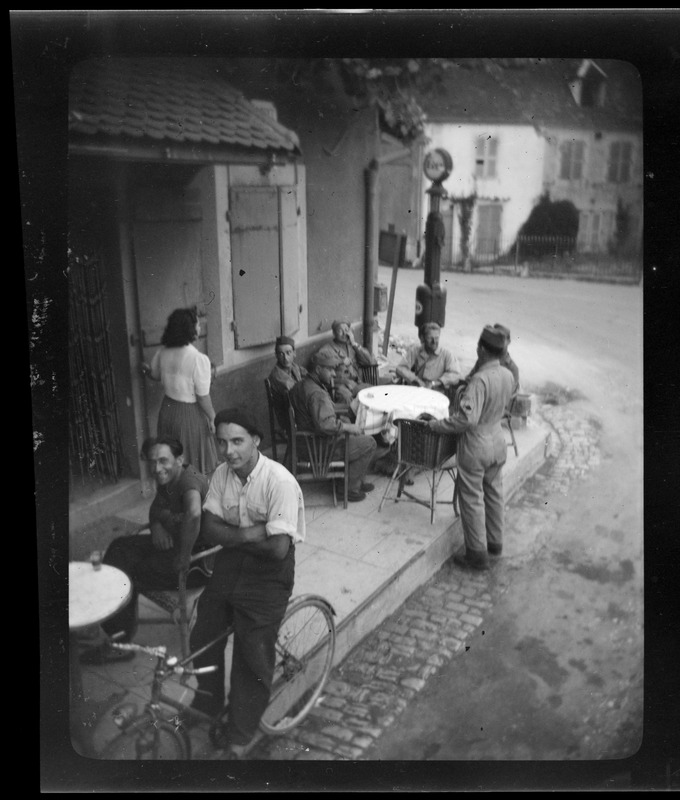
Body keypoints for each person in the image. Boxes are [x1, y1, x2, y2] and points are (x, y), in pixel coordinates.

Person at [188, 408, 305, 759]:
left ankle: (241, 733)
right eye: (221, 441)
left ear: (256, 441)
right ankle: (207, 703)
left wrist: (232, 536)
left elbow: (277, 547)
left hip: (270, 573)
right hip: (233, 562)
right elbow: (207, 529)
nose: (228, 450)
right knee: (203, 634)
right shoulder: (222, 474)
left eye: (237, 441)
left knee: (251, 652)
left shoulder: (279, 482)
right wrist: (249, 532)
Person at [81, 436, 210, 663]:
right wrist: (157, 526)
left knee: (126, 575)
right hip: (172, 545)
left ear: (180, 460)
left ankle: (118, 642)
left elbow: (195, 513)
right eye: (152, 462)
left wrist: (183, 555)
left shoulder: (189, 482)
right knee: (119, 546)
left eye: (163, 461)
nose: (156, 468)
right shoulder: (169, 478)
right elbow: (156, 509)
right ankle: (110, 625)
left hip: (194, 562)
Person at [426, 325, 515, 571]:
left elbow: (466, 419)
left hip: (476, 446)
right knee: (494, 493)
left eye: (478, 346)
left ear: (483, 350)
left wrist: (437, 425)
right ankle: (495, 544)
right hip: (498, 441)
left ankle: (476, 554)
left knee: (472, 498)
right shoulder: (507, 375)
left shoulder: (479, 380)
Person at [289, 350, 378, 502]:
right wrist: (348, 427)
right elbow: (326, 425)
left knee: (352, 428)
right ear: (318, 369)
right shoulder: (317, 393)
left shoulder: (302, 384)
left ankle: (351, 479)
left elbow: (321, 413)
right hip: (319, 448)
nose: (334, 374)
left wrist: (344, 416)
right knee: (369, 443)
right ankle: (347, 488)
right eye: (329, 370)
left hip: (305, 442)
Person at [142, 307, 218, 476]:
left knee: (172, 463)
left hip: (167, 411)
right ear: (189, 329)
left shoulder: (163, 352)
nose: (199, 328)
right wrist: (213, 417)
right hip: (189, 416)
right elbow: (202, 396)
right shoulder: (199, 359)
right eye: (197, 325)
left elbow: (154, 375)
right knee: (192, 467)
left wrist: (145, 369)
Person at [315, 318, 377, 403]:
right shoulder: (326, 350)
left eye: (346, 330)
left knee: (374, 393)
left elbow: (369, 362)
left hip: (356, 383)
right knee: (347, 398)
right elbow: (319, 371)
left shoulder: (352, 347)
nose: (344, 333)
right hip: (338, 385)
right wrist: (340, 362)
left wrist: (354, 343)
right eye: (340, 330)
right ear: (334, 333)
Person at [395, 321, 462, 391]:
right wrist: (415, 379)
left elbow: (455, 375)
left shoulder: (447, 354)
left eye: (437, 338)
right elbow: (400, 368)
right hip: (418, 390)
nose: (434, 342)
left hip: (436, 394)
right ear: (423, 338)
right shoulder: (415, 350)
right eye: (430, 338)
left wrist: (435, 383)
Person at [466, 322, 520, 395]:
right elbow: (470, 378)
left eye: (503, 338)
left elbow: (510, 394)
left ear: (509, 341)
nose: (500, 341)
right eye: (498, 337)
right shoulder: (484, 359)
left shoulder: (512, 368)